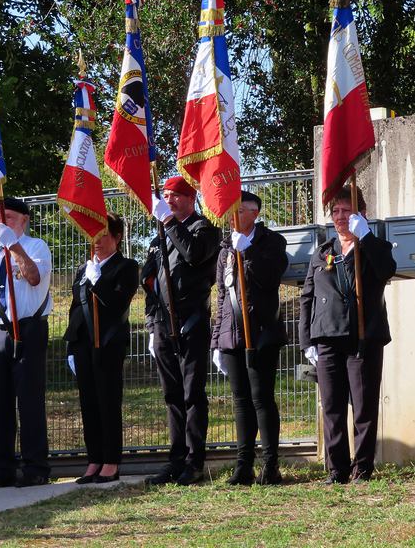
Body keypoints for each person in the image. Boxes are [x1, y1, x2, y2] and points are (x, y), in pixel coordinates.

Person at [299, 186, 396, 484]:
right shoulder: (323, 253)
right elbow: (308, 297)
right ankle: (336, 469)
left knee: (364, 407)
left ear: (361, 214)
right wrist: (307, 342)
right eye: (335, 212)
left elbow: (387, 270)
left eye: (346, 211)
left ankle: (362, 468)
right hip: (327, 337)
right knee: (332, 406)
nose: (340, 217)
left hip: (362, 337)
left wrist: (364, 236)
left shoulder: (374, 246)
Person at [142, 176, 221, 486]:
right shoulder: (158, 236)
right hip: (162, 324)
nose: (170, 200)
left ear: (191, 199)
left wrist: (169, 224)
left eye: (176, 196)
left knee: (192, 394)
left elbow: (193, 254)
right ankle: (175, 460)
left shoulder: (204, 229)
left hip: (190, 322)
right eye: (166, 196)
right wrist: (151, 325)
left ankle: (194, 461)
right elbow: (148, 283)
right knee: (171, 395)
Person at [0, 197, 53, 489]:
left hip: (27, 329)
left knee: (29, 401)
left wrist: (14, 247)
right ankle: (1, 468)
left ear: (24, 220)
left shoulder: (36, 247)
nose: (0, 223)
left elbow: (33, 277)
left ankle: (35, 467)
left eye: (7, 217)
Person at [211, 191, 289, 485]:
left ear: (255, 213)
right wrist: (216, 341)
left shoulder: (271, 241)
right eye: (231, 211)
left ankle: (270, 465)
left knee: (261, 398)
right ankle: (243, 465)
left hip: (261, 333)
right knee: (240, 400)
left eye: (241, 210)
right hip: (231, 334)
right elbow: (221, 295)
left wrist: (248, 253)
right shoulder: (224, 249)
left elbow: (270, 278)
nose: (234, 217)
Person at [63, 214, 139, 484]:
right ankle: (94, 459)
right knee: (88, 403)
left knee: (107, 402)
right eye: (94, 234)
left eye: (104, 235)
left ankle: (110, 461)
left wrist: (99, 282)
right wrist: (71, 345)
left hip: (108, 344)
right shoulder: (84, 269)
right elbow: (75, 310)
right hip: (84, 345)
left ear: (117, 238)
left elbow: (117, 303)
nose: (97, 241)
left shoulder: (127, 266)